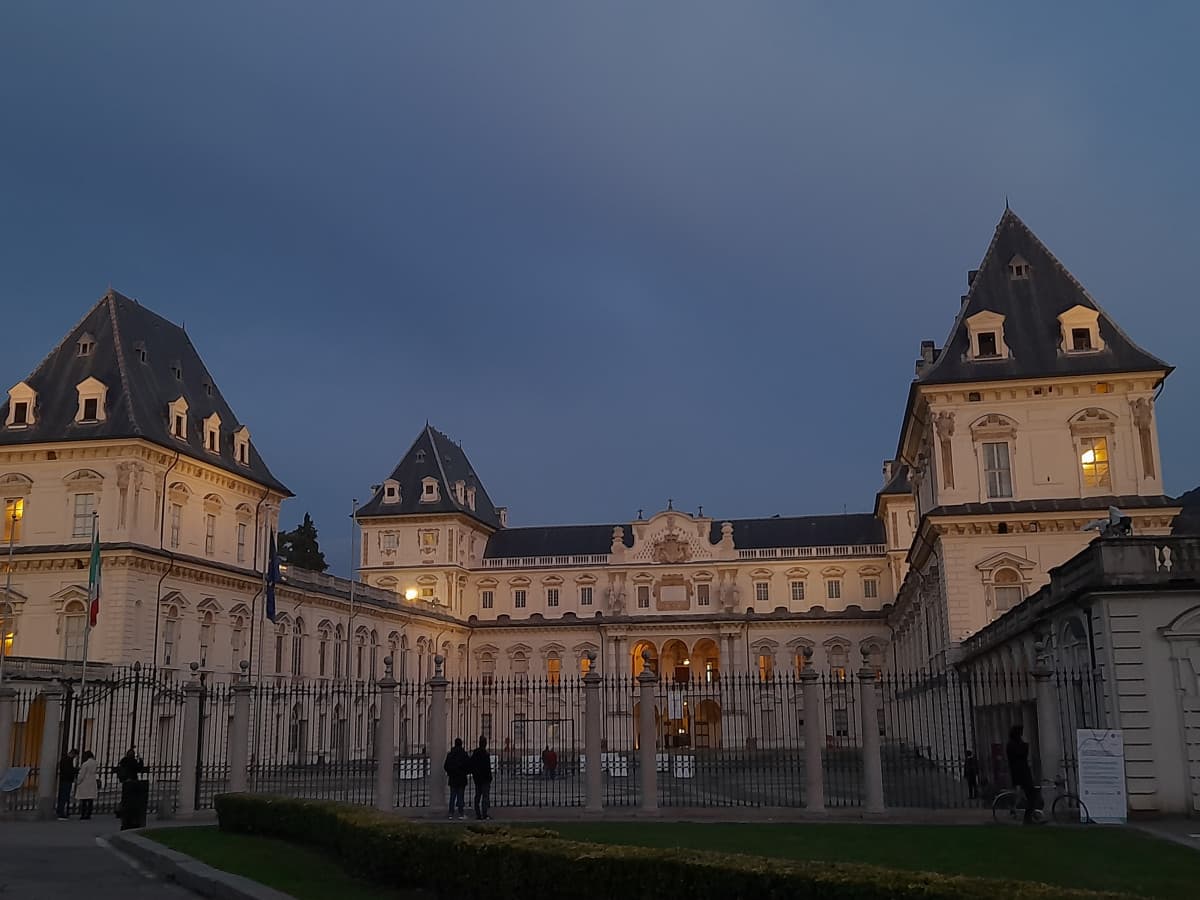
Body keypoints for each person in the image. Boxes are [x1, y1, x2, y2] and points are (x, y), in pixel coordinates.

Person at [1006, 724, 1038, 824]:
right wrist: (1025, 745)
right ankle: (1027, 818)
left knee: (1029, 796)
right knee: (1032, 796)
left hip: (1022, 773)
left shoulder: (1014, 744)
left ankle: (1029, 816)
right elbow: (1022, 754)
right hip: (1021, 774)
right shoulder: (1013, 745)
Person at [443, 738, 471, 820]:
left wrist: (450, 772)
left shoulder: (450, 754)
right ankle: (461, 813)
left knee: (452, 796)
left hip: (453, 778)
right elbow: (468, 765)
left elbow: (446, 766)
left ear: (455, 744)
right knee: (460, 796)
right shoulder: (464, 754)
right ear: (461, 744)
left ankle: (451, 813)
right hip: (461, 778)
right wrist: (465, 772)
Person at [470, 736, 492, 820]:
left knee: (477, 797)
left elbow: (471, 765)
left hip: (478, 779)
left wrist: (474, 774)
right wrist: (490, 778)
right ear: (485, 744)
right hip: (485, 779)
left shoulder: (475, 753)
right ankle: (484, 814)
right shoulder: (486, 754)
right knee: (485, 797)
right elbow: (488, 768)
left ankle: (478, 814)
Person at [56, 749, 79, 820]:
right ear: (73, 754)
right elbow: (69, 771)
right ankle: (61, 813)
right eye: (75, 756)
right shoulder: (68, 760)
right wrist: (75, 770)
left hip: (64, 780)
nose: (74, 757)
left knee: (63, 796)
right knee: (64, 796)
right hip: (66, 780)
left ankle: (60, 811)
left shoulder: (64, 759)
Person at [75, 750, 98, 820]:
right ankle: (89, 814)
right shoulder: (95, 763)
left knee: (84, 800)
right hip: (92, 782)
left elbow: (82, 775)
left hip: (85, 782)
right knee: (90, 800)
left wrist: (78, 781)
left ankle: (83, 814)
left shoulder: (85, 764)